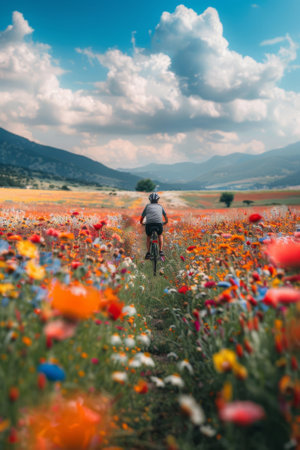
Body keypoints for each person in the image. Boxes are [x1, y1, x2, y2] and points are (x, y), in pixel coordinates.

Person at [139, 192, 168, 259]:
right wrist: (165, 222)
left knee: (148, 236)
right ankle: (160, 251)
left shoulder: (147, 206)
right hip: (159, 224)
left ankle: (148, 253)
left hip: (149, 224)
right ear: (158, 200)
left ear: (150, 200)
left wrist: (141, 223)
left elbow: (142, 217)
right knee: (160, 235)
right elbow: (165, 216)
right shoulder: (160, 206)